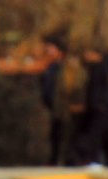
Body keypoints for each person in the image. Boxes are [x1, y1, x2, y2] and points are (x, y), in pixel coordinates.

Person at [38, 35, 76, 165]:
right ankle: (54, 160)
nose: (47, 52)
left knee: (64, 136)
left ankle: (66, 161)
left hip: (63, 109)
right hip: (54, 108)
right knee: (54, 137)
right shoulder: (50, 68)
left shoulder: (66, 69)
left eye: (50, 49)